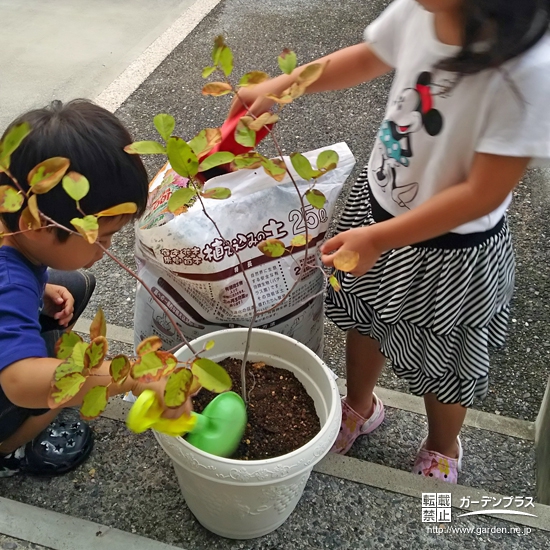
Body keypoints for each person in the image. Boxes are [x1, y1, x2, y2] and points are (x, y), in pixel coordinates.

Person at [227, 0, 550, 482]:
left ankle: (443, 446)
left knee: (445, 360)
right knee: (367, 319)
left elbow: (484, 192)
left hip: (454, 253)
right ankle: (360, 405)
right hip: (379, 208)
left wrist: (380, 239)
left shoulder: (530, 68)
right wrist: (281, 88)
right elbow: (368, 56)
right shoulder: (418, 10)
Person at [0, 99, 189, 477]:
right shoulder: (9, 282)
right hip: (9, 383)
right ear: (37, 225)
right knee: (57, 384)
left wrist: (40, 289)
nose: (108, 249)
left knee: (74, 283)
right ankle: (9, 449)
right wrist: (129, 377)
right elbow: (20, 381)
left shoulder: (14, 223)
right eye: (103, 237)